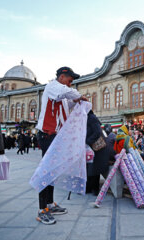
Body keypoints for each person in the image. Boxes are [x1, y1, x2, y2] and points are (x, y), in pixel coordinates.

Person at [34, 66, 87, 225]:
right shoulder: (53, 87)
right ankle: (42, 209)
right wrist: (79, 96)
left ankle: (49, 204)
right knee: (46, 171)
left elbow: (68, 104)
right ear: (62, 76)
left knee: (53, 172)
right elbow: (71, 93)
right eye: (70, 80)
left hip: (56, 136)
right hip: (47, 134)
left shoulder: (62, 94)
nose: (71, 84)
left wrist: (76, 102)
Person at [85, 110, 109, 195]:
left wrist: (87, 141)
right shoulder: (86, 118)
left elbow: (97, 132)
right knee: (89, 166)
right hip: (91, 147)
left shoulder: (92, 118)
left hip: (96, 147)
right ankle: (89, 188)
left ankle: (94, 189)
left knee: (94, 167)